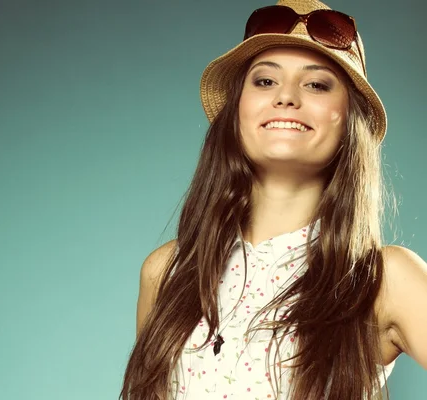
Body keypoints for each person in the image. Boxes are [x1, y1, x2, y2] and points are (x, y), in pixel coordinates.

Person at [120, 0, 427, 399]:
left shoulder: (383, 278)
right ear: (237, 111)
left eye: (317, 84)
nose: (286, 97)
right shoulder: (166, 273)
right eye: (264, 81)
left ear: (350, 119)